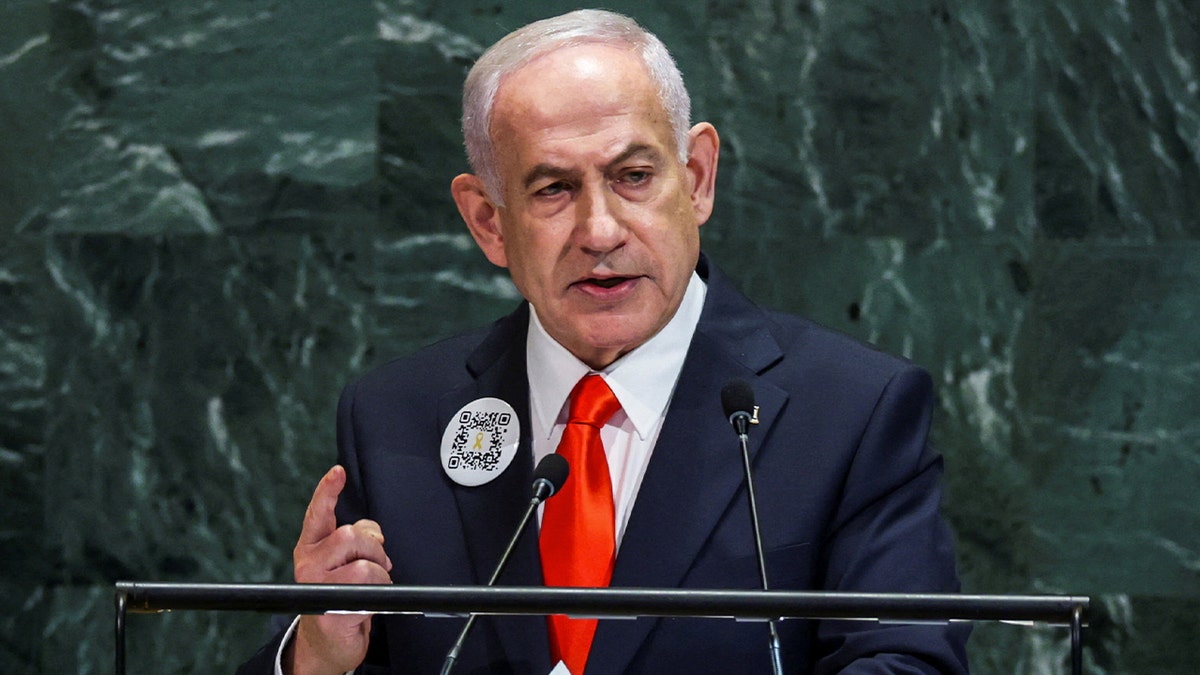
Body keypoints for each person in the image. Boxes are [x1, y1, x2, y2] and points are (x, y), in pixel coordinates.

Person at [240, 8, 970, 675]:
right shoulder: (398, 417)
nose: (599, 230)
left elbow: (907, 664)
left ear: (697, 177)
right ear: (488, 221)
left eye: (633, 175)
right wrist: (317, 656)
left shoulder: (850, 412)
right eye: (552, 188)